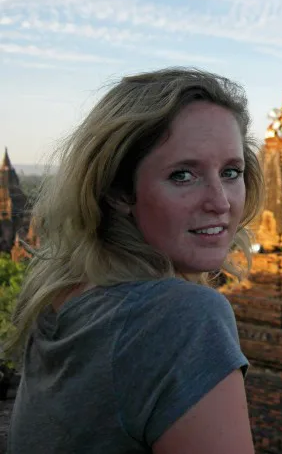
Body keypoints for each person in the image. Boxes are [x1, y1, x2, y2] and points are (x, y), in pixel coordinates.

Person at [6, 68, 265, 454]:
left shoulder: (58, 298)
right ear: (118, 192)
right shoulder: (186, 316)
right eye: (182, 175)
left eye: (231, 172)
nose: (221, 201)